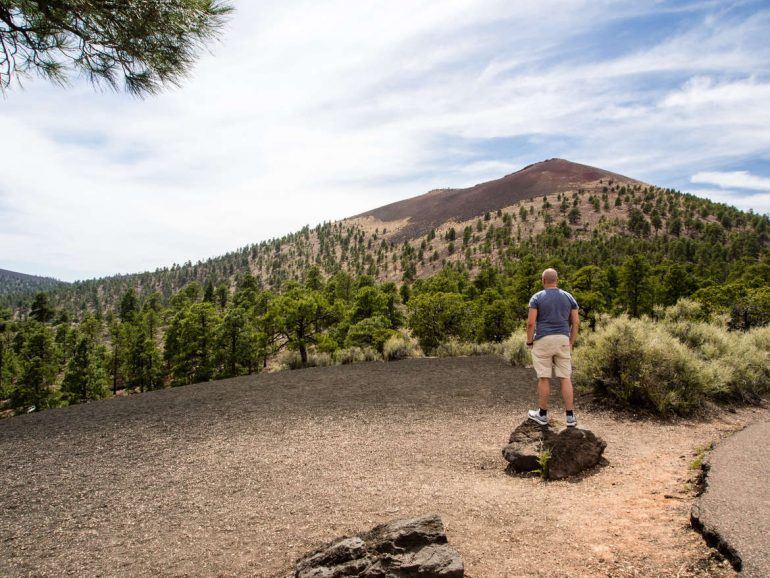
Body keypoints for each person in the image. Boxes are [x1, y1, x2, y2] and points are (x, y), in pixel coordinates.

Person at [525, 268, 579, 427]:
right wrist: (571, 342)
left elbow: (530, 324)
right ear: (557, 280)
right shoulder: (569, 297)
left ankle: (542, 414)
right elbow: (575, 323)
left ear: (543, 281)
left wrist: (529, 342)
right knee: (565, 377)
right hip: (563, 339)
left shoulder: (537, 297)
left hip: (543, 340)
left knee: (544, 377)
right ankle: (570, 417)